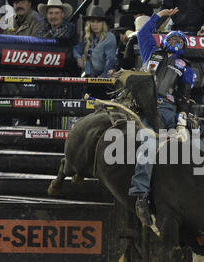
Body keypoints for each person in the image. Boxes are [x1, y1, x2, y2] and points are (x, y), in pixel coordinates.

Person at [129, 7, 196, 227]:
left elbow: (185, 96)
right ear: (166, 40)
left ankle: (186, 199)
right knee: (148, 145)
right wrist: (160, 15)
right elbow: (142, 33)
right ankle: (140, 196)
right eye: (173, 37)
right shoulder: (151, 52)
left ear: (184, 47)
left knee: (191, 150)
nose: (177, 41)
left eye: (181, 40)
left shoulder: (185, 67)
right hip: (146, 106)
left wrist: (182, 121)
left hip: (169, 110)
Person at [73, 5, 116, 78]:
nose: (95, 25)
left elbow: (111, 60)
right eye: (93, 21)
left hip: (104, 77)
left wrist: (103, 76)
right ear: (89, 23)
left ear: (103, 23)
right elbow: (76, 49)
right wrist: (78, 58)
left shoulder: (109, 37)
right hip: (89, 76)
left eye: (98, 21)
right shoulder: (88, 37)